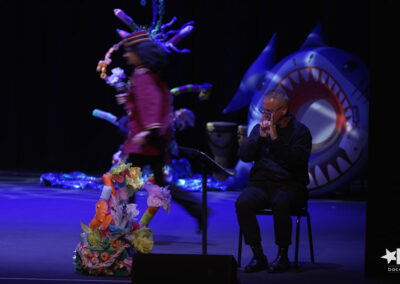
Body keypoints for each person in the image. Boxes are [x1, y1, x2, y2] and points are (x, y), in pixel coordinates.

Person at [112, 30, 204, 232]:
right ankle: (198, 210)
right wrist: (128, 99)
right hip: (152, 141)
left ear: (140, 53)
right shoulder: (145, 72)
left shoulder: (144, 75)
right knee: (160, 184)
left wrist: (149, 129)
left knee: (128, 185)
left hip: (145, 141)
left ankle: (122, 229)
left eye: (129, 51)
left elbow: (153, 102)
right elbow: (147, 99)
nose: (126, 55)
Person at [235, 89, 312, 273]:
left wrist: (276, 139)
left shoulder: (300, 132)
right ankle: (258, 255)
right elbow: (244, 156)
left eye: (269, 112)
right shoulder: (258, 129)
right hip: (260, 185)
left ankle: (282, 256)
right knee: (243, 202)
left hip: (290, 185)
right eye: (264, 111)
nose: (265, 116)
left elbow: (296, 162)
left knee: (281, 201)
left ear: (284, 110)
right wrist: (259, 139)